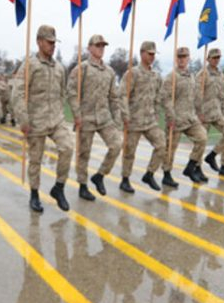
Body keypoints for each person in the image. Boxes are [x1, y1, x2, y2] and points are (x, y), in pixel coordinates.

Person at [12, 25, 73, 213]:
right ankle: (34, 194)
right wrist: (23, 119)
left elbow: (62, 93)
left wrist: (59, 112)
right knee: (36, 160)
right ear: (39, 42)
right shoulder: (30, 65)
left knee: (68, 148)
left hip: (56, 119)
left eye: (54, 43)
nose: (52, 46)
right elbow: (18, 92)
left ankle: (59, 187)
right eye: (49, 42)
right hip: (35, 121)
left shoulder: (60, 68)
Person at [67, 34, 122, 200]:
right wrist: (77, 115)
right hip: (86, 117)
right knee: (84, 154)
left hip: (104, 118)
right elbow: (71, 92)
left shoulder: (110, 72)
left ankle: (99, 176)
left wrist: (117, 118)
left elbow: (113, 97)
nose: (101, 49)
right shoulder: (81, 69)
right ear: (90, 48)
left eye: (103, 46)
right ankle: (83, 185)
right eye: (98, 46)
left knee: (116, 145)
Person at [118, 40, 166, 193]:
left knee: (161, 145)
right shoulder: (132, 74)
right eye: (150, 54)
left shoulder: (156, 75)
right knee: (129, 151)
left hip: (150, 120)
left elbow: (158, 96)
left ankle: (150, 173)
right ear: (142, 53)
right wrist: (125, 115)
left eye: (154, 54)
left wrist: (156, 112)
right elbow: (123, 95)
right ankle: (125, 179)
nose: (152, 57)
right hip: (134, 120)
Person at [160, 46, 208, 187]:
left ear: (188, 58)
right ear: (176, 59)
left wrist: (200, 111)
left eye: (184, 56)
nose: (182, 59)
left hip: (190, 117)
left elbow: (197, 96)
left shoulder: (192, 76)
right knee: (170, 149)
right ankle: (166, 175)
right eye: (179, 57)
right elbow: (165, 98)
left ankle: (190, 166)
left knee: (202, 138)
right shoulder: (171, 77)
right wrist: (170, 116)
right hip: (175, 118)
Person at [197, 49, 224, 178]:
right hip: (204, 114)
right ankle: (197, 168)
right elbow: (196, 95)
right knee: (201, 142)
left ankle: (212, 155)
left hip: (217, 112)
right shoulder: (203, 74)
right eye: (213, 58)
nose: (216, 60)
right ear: (208, 59)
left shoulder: (220, 75)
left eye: (218, 57)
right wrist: (198, 113)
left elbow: (222, 96)